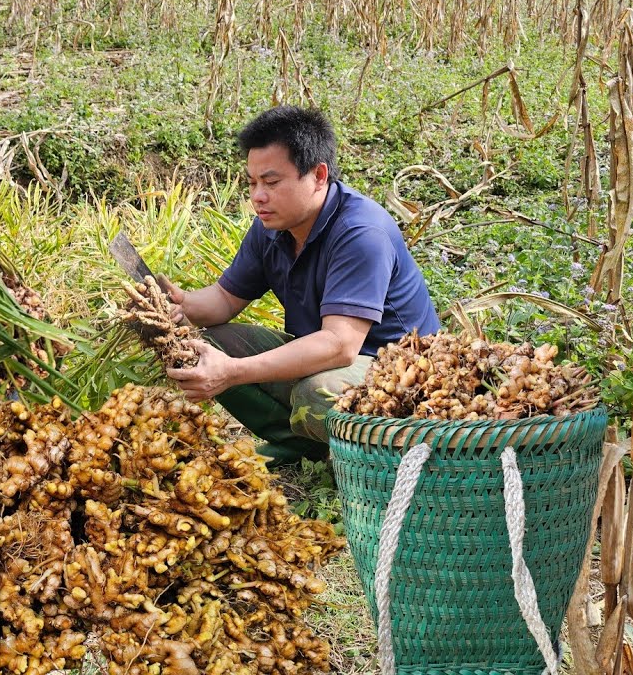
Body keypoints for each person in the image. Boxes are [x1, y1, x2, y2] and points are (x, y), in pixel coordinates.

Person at [163, 106, 439, 466]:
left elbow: (340, 345)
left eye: (272, 182)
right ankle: (305, 447)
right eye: (252, 182)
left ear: (319, 175)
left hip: (402, 377)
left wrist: (231, 371)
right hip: (331, 360)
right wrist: (176, 303)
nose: (258, 196)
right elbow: (223, 300)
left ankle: (380, 461)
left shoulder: (360, 233)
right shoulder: (271, 228)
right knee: (206, 344)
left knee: (317, 393)